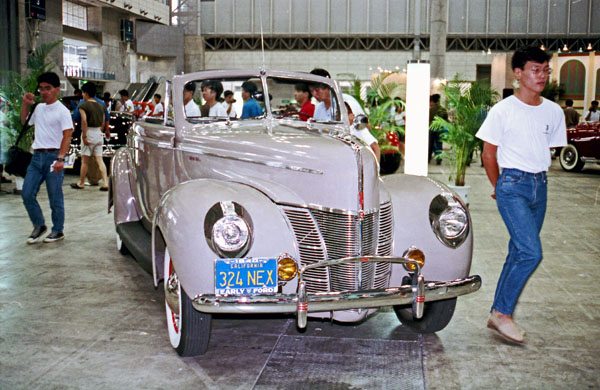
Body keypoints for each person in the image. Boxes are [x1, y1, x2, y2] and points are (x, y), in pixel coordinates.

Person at [477, 46, 567, 343]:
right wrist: (498, 185)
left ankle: (497, 313)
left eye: (545, 70)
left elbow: (548, 150)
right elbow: (488, 153)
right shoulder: (503, 110)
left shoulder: (554, 111)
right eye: (535, 70)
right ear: (518, 73)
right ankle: (503, 313)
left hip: (539, 187)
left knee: (518, 251)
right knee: (531, 251)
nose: (541, 76)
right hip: (512, 185)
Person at [20, 72, 73, 244]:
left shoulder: (63, 111)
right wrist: (25, 104)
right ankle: (39, 225)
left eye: (48, 88)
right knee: (27, 193)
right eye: (41, 88)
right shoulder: (39, 108)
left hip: (53, 157)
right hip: (37, 157)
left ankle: (58, 230)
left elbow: (67, 135)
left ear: (57, 89)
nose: (44, 92)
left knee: (55, 197)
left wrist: (60, 158)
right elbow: (24, 122)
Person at [70, 82, 109, 191]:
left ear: (86, 93)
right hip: (98, 134)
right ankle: (105, 183)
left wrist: (85, 137)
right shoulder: (101, 105)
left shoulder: (83, 105)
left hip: (89, 133)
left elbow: (84, 121)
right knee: (100, 160)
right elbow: (103, 121)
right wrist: (100, 131)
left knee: (85, 161)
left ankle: (81, 183)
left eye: (83, 93)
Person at [343, 94, 380, 162]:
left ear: (352, 115)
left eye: (345, 114)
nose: (342, 118)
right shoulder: (341, 131)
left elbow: (375, 147)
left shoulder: (359, 129)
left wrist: (376, 168)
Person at [429, 94, 447, 165]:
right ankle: (439, 159)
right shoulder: (443, 109)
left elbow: (428, 119)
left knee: (430, 143)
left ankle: (429, 158)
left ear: (432, 101)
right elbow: (446, 119)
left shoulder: (431, 110)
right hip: (440, 128)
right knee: (439, 143)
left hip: (432, 128)